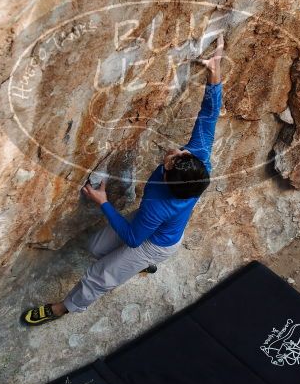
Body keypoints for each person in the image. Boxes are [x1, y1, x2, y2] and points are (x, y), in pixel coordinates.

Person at [22, 33, 225, 326]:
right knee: (95, 248)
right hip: (156, 228)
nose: (173, 152)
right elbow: (209, 116)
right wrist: (214, 75)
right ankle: (138, 266)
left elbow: (133, 238)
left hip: (156, 242)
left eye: (170, 161)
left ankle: (63, 308)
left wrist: (103, 202)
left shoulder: (158, 204)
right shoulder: (198, 159)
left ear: (167, 180)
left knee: (99, 274)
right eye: (180, 153)